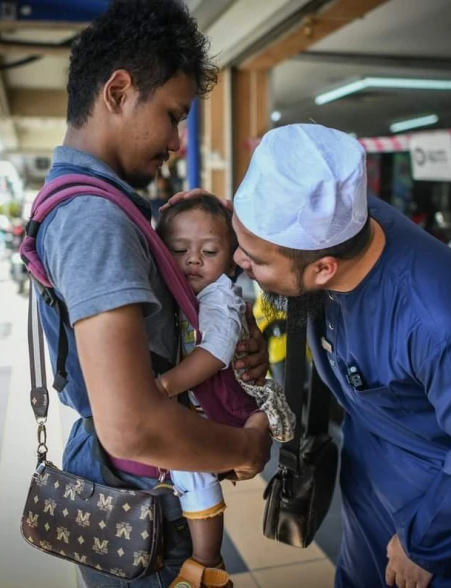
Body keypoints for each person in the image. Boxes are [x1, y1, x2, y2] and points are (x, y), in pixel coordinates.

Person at [229, 124, 451, 588]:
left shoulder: (444, 323)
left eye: (255, 259)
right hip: (371, 470)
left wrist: (426, 543)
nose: (239, 259)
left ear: (324, 269)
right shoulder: (340, 228)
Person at [33, 2, 273, 586]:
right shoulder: (96, 220)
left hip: (130, 490)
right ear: (117, 91)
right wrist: (243, 449)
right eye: (172, 115)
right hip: (143, 502)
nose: (175, 140)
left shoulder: (93, 204)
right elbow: (131, 424)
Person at [153, 195, 295, 585]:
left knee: (193, 471)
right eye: (179, 250)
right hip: (202, 403)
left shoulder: (220, 297)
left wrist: (162, 386)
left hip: (218, 403)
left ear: (232, 257)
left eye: (210, 251)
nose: (193, 260)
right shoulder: (177, 290)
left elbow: (215, 352)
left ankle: (207, 559)